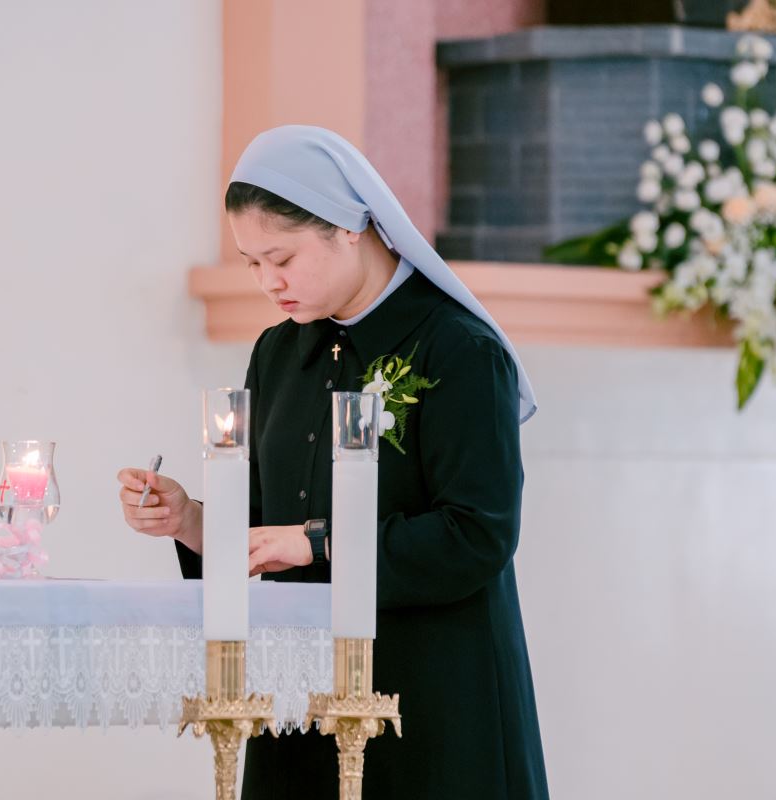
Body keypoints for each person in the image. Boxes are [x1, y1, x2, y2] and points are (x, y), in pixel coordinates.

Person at [117, 125, 549, 799]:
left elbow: (477, 534)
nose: (269, 283)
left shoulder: (457, 350)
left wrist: (317, 543)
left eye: (281, 257)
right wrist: (191, 521)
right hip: (299, 700)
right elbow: (260, 528)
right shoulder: (278, 353)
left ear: (349, 226)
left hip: (431, 701)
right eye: (251, 263)